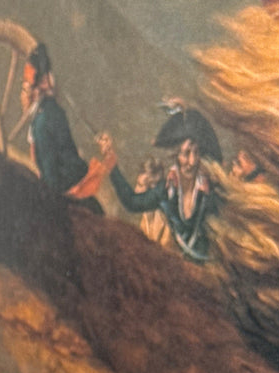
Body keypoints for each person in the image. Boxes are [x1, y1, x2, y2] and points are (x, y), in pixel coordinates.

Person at [99, 107, 223, 263]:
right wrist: (111, 161)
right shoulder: (165, 191)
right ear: (176, 156)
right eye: (186, 154)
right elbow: (131, 202)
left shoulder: (209, 192)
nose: (192, 162)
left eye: (196, 153)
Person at [20, 43, 112, 211]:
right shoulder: (52, 109)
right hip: (72, 182)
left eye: (26, 88)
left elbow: (52, 180)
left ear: (41, 85)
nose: (22, 96)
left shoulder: (42, 122)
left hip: (68, 194)